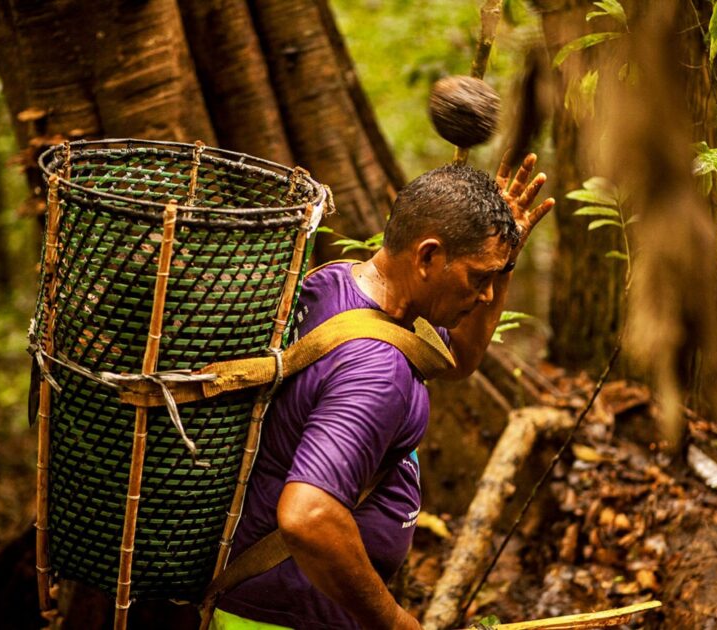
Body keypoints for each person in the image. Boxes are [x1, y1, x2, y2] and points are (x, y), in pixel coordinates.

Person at [215, 154, 554, 630]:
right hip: (290, 615)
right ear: (428, 256)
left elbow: (460, 359)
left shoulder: (341, 284)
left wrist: (503, 262)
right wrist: (394, 622)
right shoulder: (378, 369)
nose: (487, 295)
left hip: (265, 601)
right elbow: (308, 515)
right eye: (479, 277)